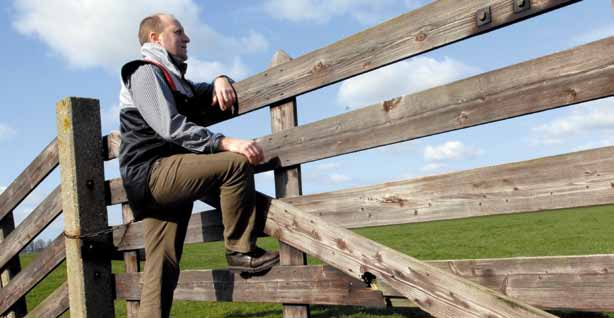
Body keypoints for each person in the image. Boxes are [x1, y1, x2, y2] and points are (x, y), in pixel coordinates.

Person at [118, 13, 279, 318]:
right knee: (234, 165)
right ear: (155, 38)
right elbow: (170, 127)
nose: (187, 38)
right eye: (178, 32)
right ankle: (240, 250)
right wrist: (225, 141)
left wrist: (221, 78)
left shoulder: (174, 79)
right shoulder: (144, 73)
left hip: (163, 177)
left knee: (162, 265)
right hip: (153, 173)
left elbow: (201, 93)